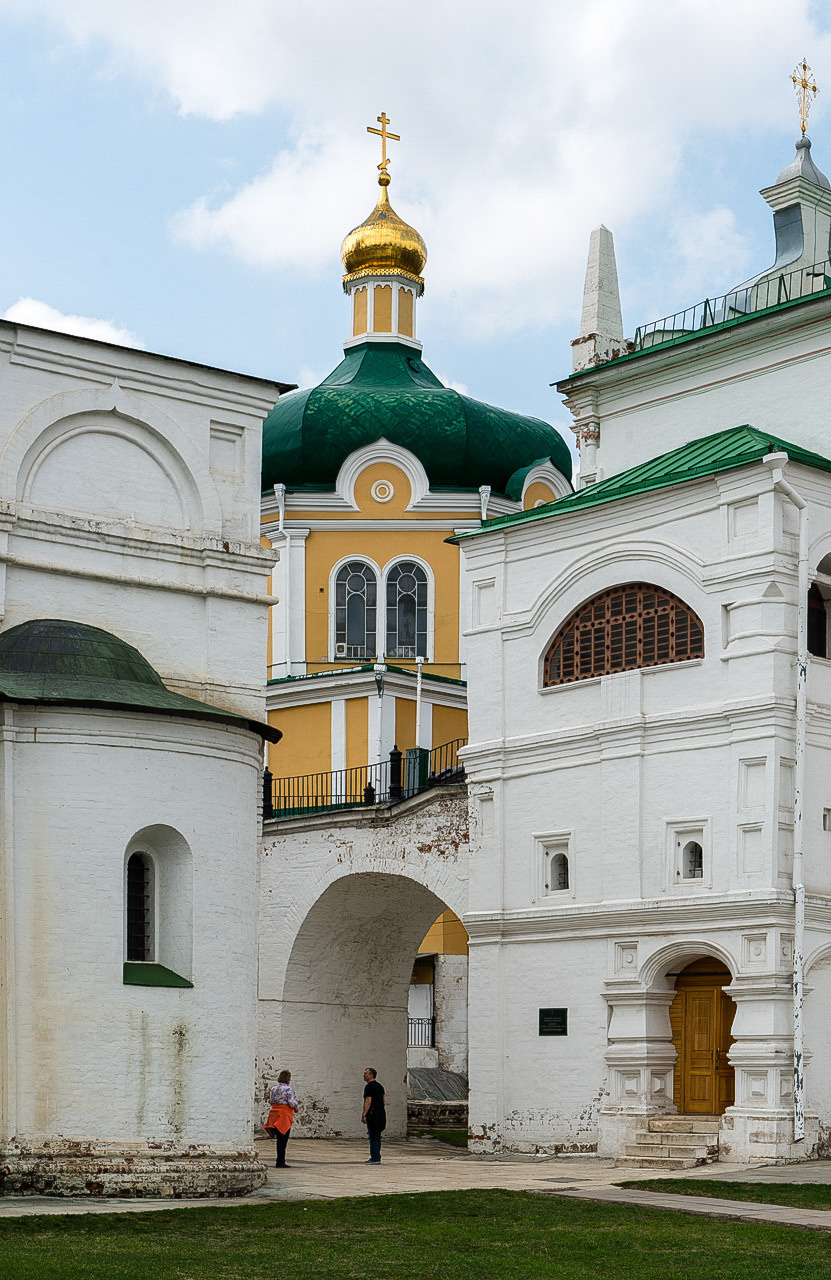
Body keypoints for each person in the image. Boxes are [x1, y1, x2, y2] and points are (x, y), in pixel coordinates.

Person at [265, 1069, 299, 1168]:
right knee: (283, 1140)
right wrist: (297, 1104)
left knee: (279, 1139)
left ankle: (279, 1160)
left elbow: (271, 1101)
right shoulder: (288, 1089)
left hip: (274, 1114)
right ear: (288, 1079)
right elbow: (292, 1103)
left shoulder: (274, 1089)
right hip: (284, 1115)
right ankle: (280, 1161)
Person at [361, 1067, 386, 1165]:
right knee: (377, 1135)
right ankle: (376, 1156)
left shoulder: (369, 1087)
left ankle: (375, 1158)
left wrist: (364, 1115)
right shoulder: (380, 1086)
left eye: (365, 1073)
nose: (364, 1075)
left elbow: (368, 1101)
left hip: (373, 1113)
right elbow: (384, 1100)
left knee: (373, 1136)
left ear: (371, 1075)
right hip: (381, 1112)